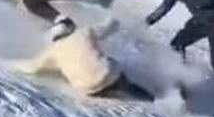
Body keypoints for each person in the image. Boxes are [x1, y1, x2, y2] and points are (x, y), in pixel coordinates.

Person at [10, 19, 155, 99]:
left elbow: (32, 67)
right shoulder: (85, 31)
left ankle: (108, 90)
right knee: (118, 74)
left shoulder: (52, 51)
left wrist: (9, 62)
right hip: (107, 74)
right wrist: (114, 19)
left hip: (86, 87)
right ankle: (150, 98)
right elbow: (111, 25)